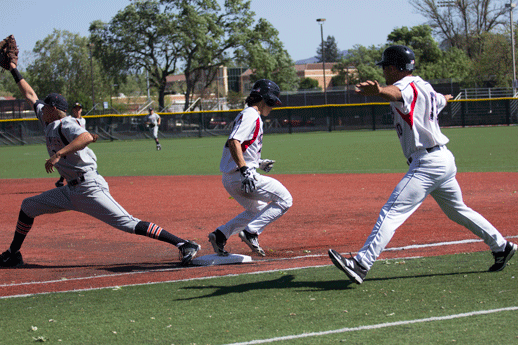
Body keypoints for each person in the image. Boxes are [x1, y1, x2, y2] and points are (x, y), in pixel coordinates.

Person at [328, 45, 516, 284]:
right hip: (444, 160)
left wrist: (379, 92)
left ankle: (361, 264)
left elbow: (397, 94)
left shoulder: (402, 87)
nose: (384, 70)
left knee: (392, 211)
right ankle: (502, 246)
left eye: (385, 66)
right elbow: (440, 100)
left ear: (395, 68)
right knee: (458, 210)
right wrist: (446, 98)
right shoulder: (425, 86)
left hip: (427, 163)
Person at [0, 58, 200, 268]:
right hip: (70, 191)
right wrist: (13, 68)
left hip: (89, 188)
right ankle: (13, 253)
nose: (40, 108)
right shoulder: (47, 119)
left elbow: (85, 137)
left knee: (127, 222)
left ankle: (184, 244)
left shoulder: (67, 123)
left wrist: (58, 154)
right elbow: (30, 94)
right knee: (28, 206)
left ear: (53, 108)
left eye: (45, 106)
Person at [208, 79, 293, 257]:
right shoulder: (251, 115)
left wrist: (258, 163)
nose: (273, 106)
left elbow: (240, 145)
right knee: (285, 199)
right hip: (242, 177)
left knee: (259, 210)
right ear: (265, 99)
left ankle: (221, 234)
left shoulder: (248, 114)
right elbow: (234, 141)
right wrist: (246, 169)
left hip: (231, 178)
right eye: (272, 102)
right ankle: (251, 232)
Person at [55, 102, 94, 187]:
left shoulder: (83, 120)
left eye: (79, 108)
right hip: (73, 145)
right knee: (72, 163)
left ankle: (61, 181)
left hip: (82, 146)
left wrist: (91, 136)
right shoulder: (70, 120)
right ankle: (63, 180)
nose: (77, 110)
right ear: (73, 110)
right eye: (76, 108)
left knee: (92, 157)